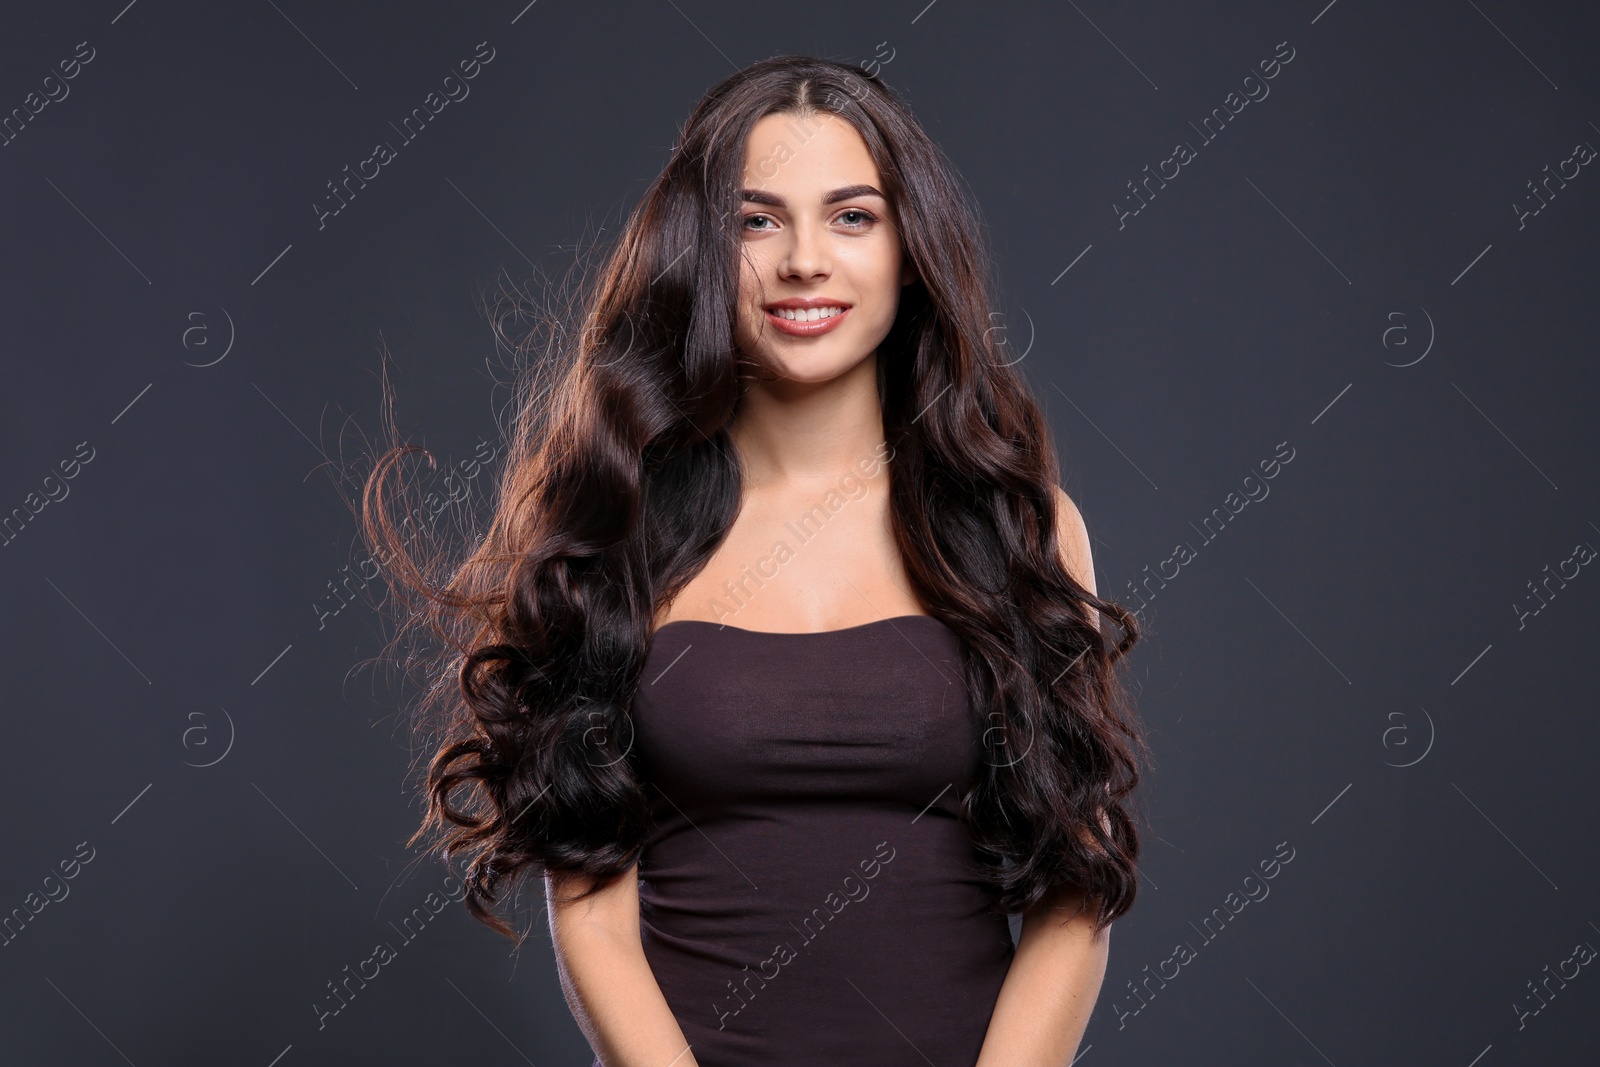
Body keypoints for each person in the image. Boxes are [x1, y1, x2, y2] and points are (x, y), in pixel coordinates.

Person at [360, 54, 1150, 1067]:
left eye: (852, 216)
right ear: (701, 249)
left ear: (911, 250)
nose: (804, 261)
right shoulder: (610, 524)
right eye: (756, 219)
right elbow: (591, 914)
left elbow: (1077, 885)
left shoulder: (1020, 525)